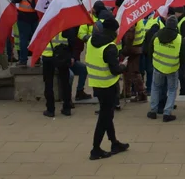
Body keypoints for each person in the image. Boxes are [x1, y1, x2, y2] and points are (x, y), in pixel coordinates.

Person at [85, 15, 128, 160]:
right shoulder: (110, 47)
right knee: (104, 117)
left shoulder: (91, 40)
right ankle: (95, 149)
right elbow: (115, 69)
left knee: (107, 114)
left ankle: (114, 142)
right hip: (108, 85)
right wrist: (124, 65)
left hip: (96, 84)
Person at [41, 20, 77, 117]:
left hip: (47, 56)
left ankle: (50, 109)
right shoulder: (65, 26)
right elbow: (72, 41)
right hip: (62, 56)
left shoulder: (46, 25)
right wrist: (72, 56)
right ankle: (66, 108)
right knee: (65, 83)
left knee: (48, 83)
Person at [148, 17, 181, 122]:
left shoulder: (157, 35)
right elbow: (183, 54)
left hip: (158, 66)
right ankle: (167, 112)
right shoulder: (179, 38)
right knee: (171, 90)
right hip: (172, 67)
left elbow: (150, 49)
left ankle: (153, 111)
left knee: (155, 88)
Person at [12, 0, 38, 66]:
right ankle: (36, 60)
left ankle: (23, 60)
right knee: (35, 38)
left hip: (23, 15)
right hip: (35, 15)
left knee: (23, 38)